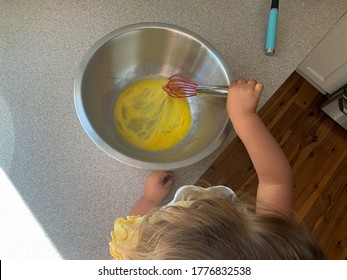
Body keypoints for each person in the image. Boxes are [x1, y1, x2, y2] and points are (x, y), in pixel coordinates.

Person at [109, 79, 325, 260]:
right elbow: (276, 181)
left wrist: (149, 201)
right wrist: (244, 117)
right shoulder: (270, 253)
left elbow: (134, 231)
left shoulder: (137, 252)